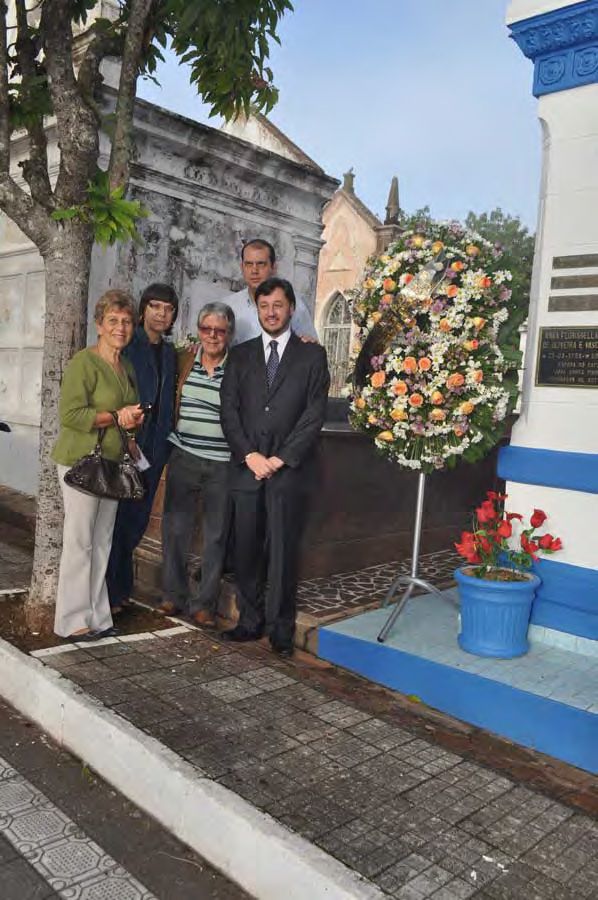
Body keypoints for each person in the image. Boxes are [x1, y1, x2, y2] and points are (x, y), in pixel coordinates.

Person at [220, 277, 330, 656]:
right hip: (247, 468)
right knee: (246, 549)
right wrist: (249, 454)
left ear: (291, 308)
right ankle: (249, 621)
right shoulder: (240, 355)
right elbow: (229, 410)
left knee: (283, 552)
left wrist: (281, 458)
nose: (271, 312)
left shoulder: (312, 356)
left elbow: (314, 414)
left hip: (289, 472)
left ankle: (281, 629)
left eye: (278, 305)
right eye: (264, 305)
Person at [51, 290, 144, 639]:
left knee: (102, 541)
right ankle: (71, 621)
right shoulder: (83, 363)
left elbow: (128, 412)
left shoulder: (126, 365)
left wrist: (132, 424)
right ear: (99, 325)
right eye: (113, 321)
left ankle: (98, 617)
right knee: (80, 542)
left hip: (111, 464)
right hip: (81, 462)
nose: (120, 327)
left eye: (126, 321)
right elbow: (71, 415)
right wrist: (115, 416)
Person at [157, 302, 235, 627]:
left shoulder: (240, 368)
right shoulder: (184, 359)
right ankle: (173, 596)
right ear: (199, 331)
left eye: (220, 330)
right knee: (175, 529)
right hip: (184, 456)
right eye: (207, 329)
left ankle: (204, 604)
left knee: (216, 536)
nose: (213, 336)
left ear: (229, 333)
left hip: (224, 464)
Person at [106, 283, 179, 614]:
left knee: (137, 521)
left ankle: (120, 588)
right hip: (128, 444)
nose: (161, 313)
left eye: (168, 308)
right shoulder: (128, 344)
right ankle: (112, 590)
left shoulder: (169, 352)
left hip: (156, 448)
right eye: (155, 306)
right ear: (143, 310)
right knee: (118, 519)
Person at [222, 238, 318, 345]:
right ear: (242, 267)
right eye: (249, 264)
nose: (254, 271)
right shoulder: (227, 307)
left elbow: (311, 345)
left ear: (273, 268)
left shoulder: (296, 305)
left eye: (261, 264)